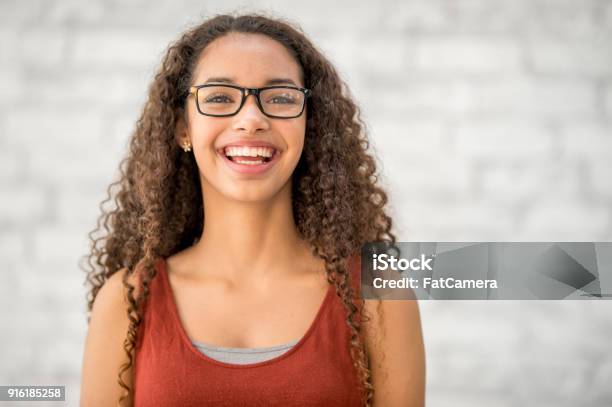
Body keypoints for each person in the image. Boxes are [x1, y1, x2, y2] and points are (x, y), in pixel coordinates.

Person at [80, 13, 425, 407]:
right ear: (182, 129)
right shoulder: (127, 301)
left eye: (280, 98)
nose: (251, 120)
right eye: (219, 98)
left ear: (309, 124)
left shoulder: (380, 297)